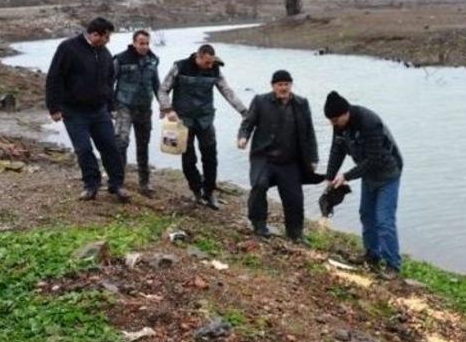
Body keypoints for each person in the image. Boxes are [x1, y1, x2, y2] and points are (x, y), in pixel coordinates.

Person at [45, 17, 129, 202]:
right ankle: (91, 185)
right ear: (94, 34)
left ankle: (116, 185)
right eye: (106, 37)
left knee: (110, 147)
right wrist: (54, 107)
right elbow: (54, 77)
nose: (108, 41)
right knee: (83, 149)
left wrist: (111, 107)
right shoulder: (68, 48)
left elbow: (109, 82)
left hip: (100, 111)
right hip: (74, 111)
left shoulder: (105, 53)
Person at [323, 91, 403, 277]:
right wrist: (330, 176)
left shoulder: (369, 122)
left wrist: (347, 176)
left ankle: (392, 265)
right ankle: (372, 255)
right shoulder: (339, 125)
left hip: (388, 173)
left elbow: (375, 159)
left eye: (335, 120)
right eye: (331, 121)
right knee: (366, 214)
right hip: (368, 174)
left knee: (384, 219)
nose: (333, 124)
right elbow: (337, 149)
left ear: (346, 113)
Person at [157, 44, 247, 209]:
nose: (209, 66)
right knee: (189, 158)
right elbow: (162, 90)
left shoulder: (215, 70)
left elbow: (228, 92)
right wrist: (168, 109)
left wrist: (243, 111)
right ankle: (196, 190)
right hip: (182, 122)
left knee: (210, 157)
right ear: (198, 57)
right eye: (206, 62)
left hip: (205, 119)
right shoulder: (180, 66)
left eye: (211, 62)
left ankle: (209, 192)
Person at [238, 70, 322, 243]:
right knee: (259, 186)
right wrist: (243, 137)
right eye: (280, 85)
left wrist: (313, 158)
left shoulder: (301, 103)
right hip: (264, 157)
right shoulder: (260, 101)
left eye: (286, 84)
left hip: (289, 160)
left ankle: (295, 232)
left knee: (294, 197)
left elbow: (309, 132)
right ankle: (259, 224)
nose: (283, 88)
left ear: (291, 85)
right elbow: (248, 123)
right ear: (273, 86)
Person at [113, 29, 160, 197]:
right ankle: (117, 183)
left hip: (145, 108)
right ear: (134, 43)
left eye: (147, 43)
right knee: (121, 142)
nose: (145, 46)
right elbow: (109, 82)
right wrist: (110, 107)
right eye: (141, 43)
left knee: (143, 145)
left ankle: (145, 183)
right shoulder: (121, 59)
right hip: (124, 106)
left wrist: (165, 106)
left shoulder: (153, 60)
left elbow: (157, 85)